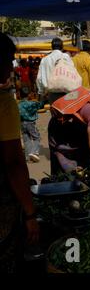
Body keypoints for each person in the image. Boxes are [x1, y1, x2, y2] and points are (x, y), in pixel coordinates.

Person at [0, 32, 39, 272]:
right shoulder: (4, 104)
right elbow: (13, 162)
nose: (12, 65)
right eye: (9, 59)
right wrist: (30, 213)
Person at [36, 37, 74, 104]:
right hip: (67, 93)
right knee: (67, 113)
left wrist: (41, 92)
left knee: (55, 113)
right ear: (62, 47)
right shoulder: (66, 57)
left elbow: (39, 78)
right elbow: (73, 72)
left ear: (52, 47)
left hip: (52, 94)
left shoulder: (45, 60)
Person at [18, 88, 45, 163]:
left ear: (19, 95)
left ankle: (27, 156)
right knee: (37, 137)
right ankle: (33, 152)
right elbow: (40, 105)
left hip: (22, 123)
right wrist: (44, 97)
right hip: (30, 123)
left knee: (26, 139)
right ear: (29, 95)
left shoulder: (18, 105)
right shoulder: (32, 104)